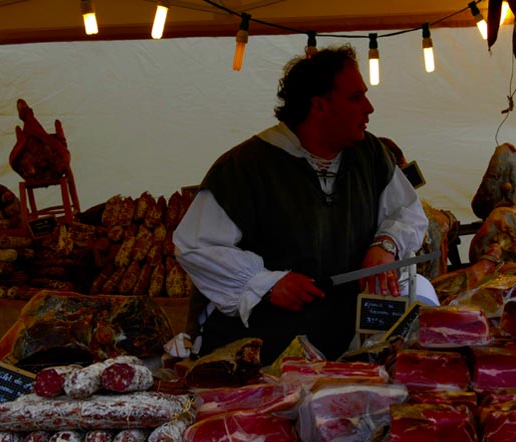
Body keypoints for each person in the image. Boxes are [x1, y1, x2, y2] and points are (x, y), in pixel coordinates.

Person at [173, 45, 428, 365]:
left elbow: (408, 211)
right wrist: (265, 284)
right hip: (258, 355)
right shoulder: (244, 167)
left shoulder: (370, 155)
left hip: (340, 349)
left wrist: (386, 243)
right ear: (319, 106)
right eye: (355, 97)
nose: (369, 107)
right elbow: (195, 245)